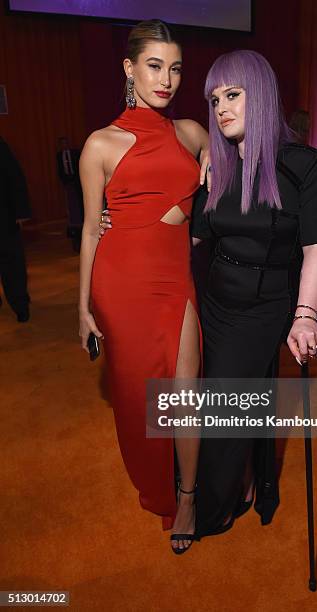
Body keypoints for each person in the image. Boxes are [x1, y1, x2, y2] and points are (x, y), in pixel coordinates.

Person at [102, 50, 317, 543]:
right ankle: (247, 485)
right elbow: (185, 232)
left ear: (262, 93)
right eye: (214, 99)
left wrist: (306, 315)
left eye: (232, 95)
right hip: (213, 301)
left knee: (223, 414)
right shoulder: (217, 167)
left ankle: (214, 504)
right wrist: (118, 226)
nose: (221, 108)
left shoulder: (301, 166)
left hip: (263, 307)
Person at [78, 20, 209, 554]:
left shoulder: (192, 133)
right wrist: (82, 310)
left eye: (175, 68)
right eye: (155, 66)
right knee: (138, 400)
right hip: (121, 280)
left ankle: (188, 496)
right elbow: (90, 229)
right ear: (130, 69)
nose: (167, 79)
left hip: (175, 277)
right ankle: (157, 482)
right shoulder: (99, 144)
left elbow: (234, 172)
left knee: (186, 393)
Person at [0, 136, 31, 322]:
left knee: (12, 265)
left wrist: (21, 212)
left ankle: (20, 304)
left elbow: (15, 178)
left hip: (3, 218)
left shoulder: (1, 146)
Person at [56, 137, 83, 251]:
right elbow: (60, 170)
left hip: (78, 182)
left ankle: (82, 222)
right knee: (71, 206)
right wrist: (65, 181)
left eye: (66, 142)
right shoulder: (58, 156)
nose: (64, 145)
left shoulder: (75, 153)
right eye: (62, 143)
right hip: (68, 183)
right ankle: (74, 225)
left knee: (79, 203)